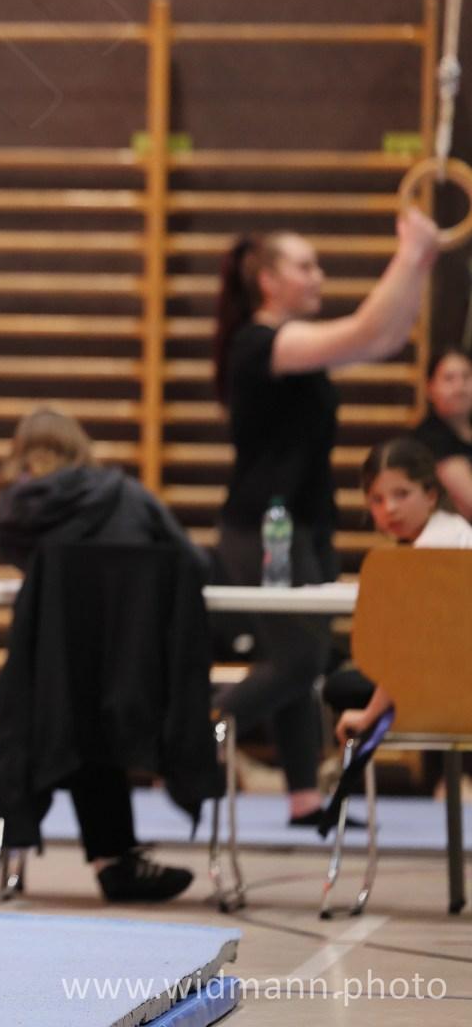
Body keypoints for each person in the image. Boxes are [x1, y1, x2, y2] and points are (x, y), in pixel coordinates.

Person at [210, 211, 440, 827]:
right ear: (268, 281)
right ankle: (196, 728)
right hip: (265, 530)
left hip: (305, 527)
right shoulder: (261, 344)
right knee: (300, 661)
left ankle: (304, 799)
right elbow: (365, 328)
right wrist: (408, 253)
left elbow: (382, 338)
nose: (319, 276)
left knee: (299, 662)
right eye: (306, 266)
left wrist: (420, 261)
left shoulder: (296, 348)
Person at [0, 407, 201, 902]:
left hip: (50, 682)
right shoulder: (126, 494)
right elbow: (190, 561)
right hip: (137, 670)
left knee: (76, 703)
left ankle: (107, 854)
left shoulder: (18, 509)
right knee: (89, 707)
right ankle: (115, 860)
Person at [331, 437, 472, 756]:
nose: (390, 508)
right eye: (377, 499)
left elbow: (411, 654)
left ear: (431, 494)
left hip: (455, 692)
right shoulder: (453, 531)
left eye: (402, 494)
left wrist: (368, 715)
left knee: (342, 686)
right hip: (453, 679)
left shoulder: (432, 551)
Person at [412, 347, 472, 520]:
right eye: (449, 378)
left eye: (466, 377)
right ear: (430, 387)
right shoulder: (429, 438)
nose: (459, 387)